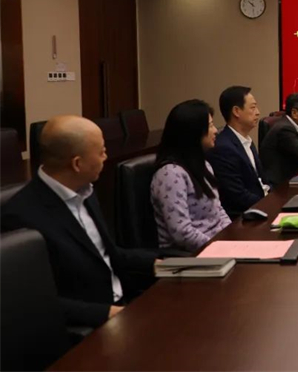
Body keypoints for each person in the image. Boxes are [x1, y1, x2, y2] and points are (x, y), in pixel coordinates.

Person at [1, 116, 158, 328]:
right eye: (101, 152)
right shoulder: (20, 216)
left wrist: (168, 264)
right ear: (77, 163)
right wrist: (108, 313)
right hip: (90, 325)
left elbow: (108, 255)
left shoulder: (85, 190)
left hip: (125, 302)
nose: (106, 157)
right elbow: (32, 301)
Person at [151, 100, 231, 253]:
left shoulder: (203, 164)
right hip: (191, 255)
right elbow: (181, 233)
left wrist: (232, 237)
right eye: (210, 126)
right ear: (193, 133)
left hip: (217, 247)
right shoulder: (170, 174)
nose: (216, 131)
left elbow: (218, 210)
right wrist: (218, 248)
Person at [207, 86, 269, 217]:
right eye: (252, 108)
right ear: (236, 111)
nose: (258, 112)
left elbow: (262, 182)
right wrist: (271, 204)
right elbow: (237, 195)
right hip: (243, 217)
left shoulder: (246, 140)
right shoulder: (223, 148)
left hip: (260, 207)